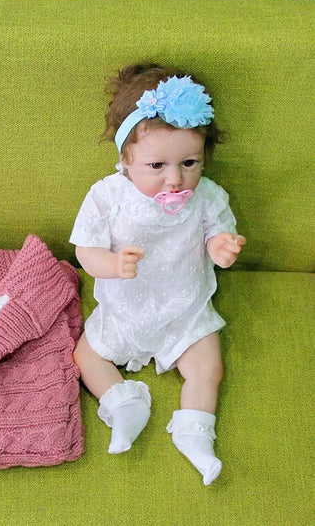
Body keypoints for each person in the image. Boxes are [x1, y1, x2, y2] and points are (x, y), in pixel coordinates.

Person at [69, 62, 246, 485]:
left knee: (208, 367)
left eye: (189, 162)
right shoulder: (107, 196)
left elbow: (216, 233)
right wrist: (111, 265)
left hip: (184, 307)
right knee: (86, 356)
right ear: (125, 159)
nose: (175, 179)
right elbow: (85, 250)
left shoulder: (207, 197)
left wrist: (221, 248)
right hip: (126, 307)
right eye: (157, 166)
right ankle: (124, 405)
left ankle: (195, 433)